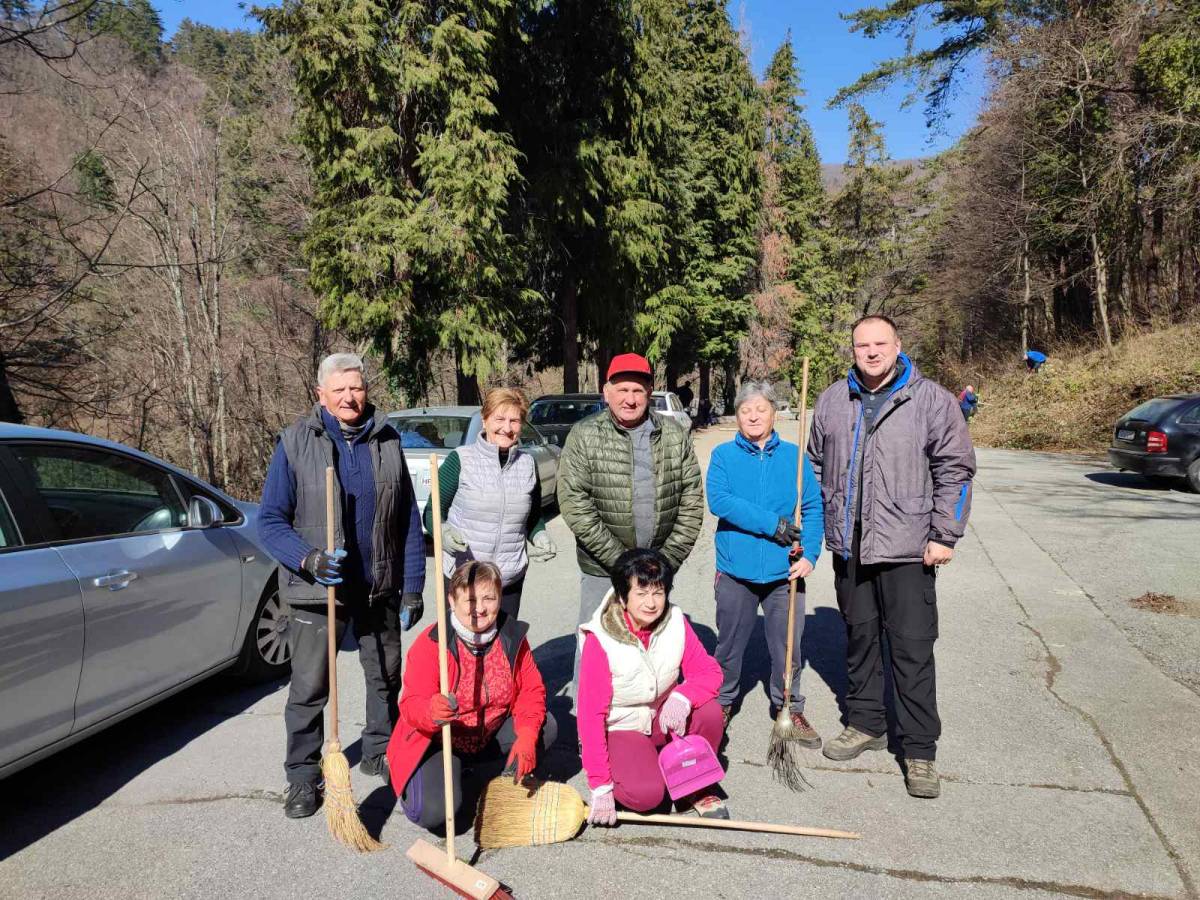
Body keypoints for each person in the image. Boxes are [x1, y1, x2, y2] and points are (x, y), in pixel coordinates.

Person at [808, 316, 976, 799]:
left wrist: (945, 534)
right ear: (853, 349)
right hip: (852, 546)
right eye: (863, 344)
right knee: (860, 640)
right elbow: (816, 464)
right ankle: (866, 723)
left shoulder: (931, 400)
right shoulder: (833, 400)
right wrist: (821, 522)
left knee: (912, 648)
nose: (872, 352)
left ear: (898, 345)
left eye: (880, 343)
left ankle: (920, 749)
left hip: (908, 549)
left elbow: (956, 470)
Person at [258, 352, 426, 819]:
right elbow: (270, 522)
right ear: (321, 395)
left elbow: (407, 518)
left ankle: (378, 750)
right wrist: (309, 559)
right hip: (320, 589)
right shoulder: (295, 443)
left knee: (386, 677)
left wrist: (412, 582)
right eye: (340, 391)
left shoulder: (386, 439)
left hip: (378, 583)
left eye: (357, 388)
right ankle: (302, 775)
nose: (350, 398)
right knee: (310, 686)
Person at [557, 352, 704, 689]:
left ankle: (651, 723)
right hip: (601, 568)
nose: (630, 399)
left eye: (637, 391)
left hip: (656, 567)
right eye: (621, 390)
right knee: (595, 647)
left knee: (655, 648)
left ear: (649, 392)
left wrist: (664, 561)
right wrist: (622, 563)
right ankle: (588, 732)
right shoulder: (583, 435)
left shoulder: (673, 435)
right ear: (606, 392)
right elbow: (575, 503)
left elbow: (691, 500)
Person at [386, 561, 555, 832]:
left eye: (489, 598)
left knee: (545, 727)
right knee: (433, 814)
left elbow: (531, 691)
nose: (480, 608)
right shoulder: (433, 643)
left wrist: (526, 735)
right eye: (470, 599)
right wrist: (432, 712)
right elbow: (410, 704)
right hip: (441, 740)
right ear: (452, 600)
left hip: (488, 733)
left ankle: (484, 777)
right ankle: (417, 778)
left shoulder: (512, 637)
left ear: (500, 598)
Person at [706, 381, 824, 741]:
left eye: (760, 409)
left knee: (788, 647)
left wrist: (812, 556)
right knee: (728, 645)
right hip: (735, 570)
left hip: (783, 572)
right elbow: (720, 501)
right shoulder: (724, 456)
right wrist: (774, 525)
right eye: (745, 410)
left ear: (775, 413)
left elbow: (813, 508)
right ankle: (722, 703)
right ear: (737, 416)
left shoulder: (795, 459)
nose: (753, 416)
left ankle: (789, 707)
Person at [578, 548, 728, 823]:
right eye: (641, 593)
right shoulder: (600, 639)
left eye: (658, 592)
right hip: (623, 726)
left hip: (664, 717)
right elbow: (590, 716)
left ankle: (694, 786)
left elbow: (709, 672)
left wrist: (683, 696)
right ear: (623, 597)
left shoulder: (675, 622)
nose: (651, 603)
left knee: (709, 712)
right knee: (647, 796)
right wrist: (600, 784)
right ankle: (639, 766)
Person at [423, 387, 555, 619]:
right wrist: (442, 531)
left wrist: (540, 535)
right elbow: (432, 510)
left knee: (504, 648)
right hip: (465, 575)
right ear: (484, 420)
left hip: (509, 577)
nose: (507, 427)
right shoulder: (461, 460)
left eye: (514, 420)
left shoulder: (528, 465)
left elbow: (533, 517)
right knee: (462, 648)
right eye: (499, 419)